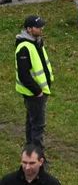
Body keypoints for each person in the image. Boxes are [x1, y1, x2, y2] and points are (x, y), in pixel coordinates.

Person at [15, 15, 52, 148]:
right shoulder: (25, 47)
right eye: (38, 27)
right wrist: (37, 91)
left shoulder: (36, 42)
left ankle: (30, 152)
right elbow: (23, 75)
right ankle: (37, 159)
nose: (41, 28)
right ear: (29, 29)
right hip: (34, 94)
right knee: (38, 126)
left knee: (31, 123)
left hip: (38, 92)